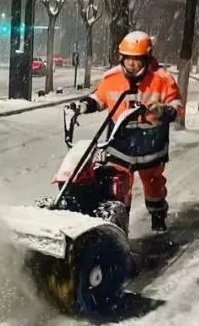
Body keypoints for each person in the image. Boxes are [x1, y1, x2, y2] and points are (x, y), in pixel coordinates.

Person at [67, 31, 184, 232]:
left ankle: (158, 216)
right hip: (120, 143)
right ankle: (121, 225)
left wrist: (163, 110)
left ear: (146, 58)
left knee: (153, 184)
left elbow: (178, 108)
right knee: (118, 187)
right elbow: (99, 98)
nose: (132, 64)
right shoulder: (111, 78)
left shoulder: (162, 79)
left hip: (151, 144)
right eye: (128, 58)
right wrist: (82, 106)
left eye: (137, 59)